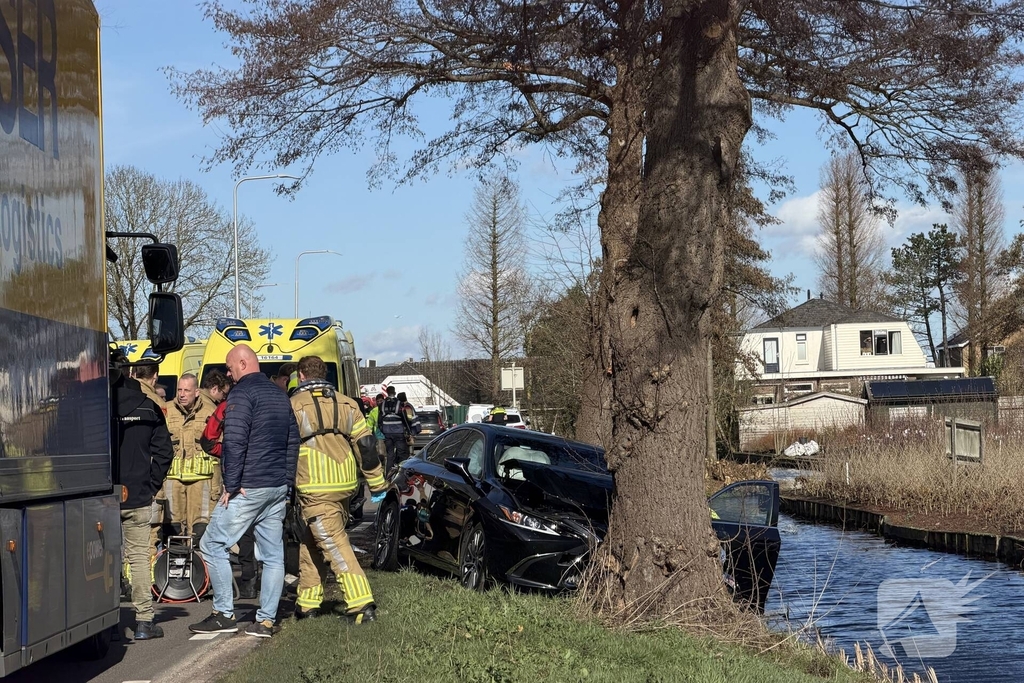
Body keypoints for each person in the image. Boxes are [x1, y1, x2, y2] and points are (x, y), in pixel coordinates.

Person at [191, 346, 299, 638]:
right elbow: (293, 442)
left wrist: (231, 484)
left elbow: (235, 442)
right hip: (276, 486)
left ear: (242, 362)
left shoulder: (240, 394)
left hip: (248, 487)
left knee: (212, 543)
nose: (228, 374)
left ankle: (223, 613)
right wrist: (287, 483)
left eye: (229, 367)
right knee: (273, 555)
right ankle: (265, 622)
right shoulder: (280, 395)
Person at [290, 356, 387, 622]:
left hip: (314, 486)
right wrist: (377, 482)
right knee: (312, 541)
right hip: (343, 484)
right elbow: (366, 446)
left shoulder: (294, 405)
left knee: (334, 545)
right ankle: (307, 604)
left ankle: (361, 604)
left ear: (301, 376)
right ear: (325, 375)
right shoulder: (348, 404)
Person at [113, 371, 174, 640]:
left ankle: (108, 622)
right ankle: (144, 621)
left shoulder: (98, 407)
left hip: (103, 496)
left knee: (105, 560)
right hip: (138, 493)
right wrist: (151, 485)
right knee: (138, 557)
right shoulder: (149, 408)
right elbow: (164, 451)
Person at [199, 370, 260, 600]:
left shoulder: (227, 406)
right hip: (267, 473)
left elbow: (208, 440)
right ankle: (271, 585)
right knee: (271, 533)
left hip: (238, 476)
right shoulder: (269, 403)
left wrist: (227, 452)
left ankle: (247, 581)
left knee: (242, 529)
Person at [164, 374, 217, 544]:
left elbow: (218, 450)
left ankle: (197, 558)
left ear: (197, 392)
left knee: (200, 527)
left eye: (187, 390)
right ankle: (175, 558)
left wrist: (217, 486)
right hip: (173, 479)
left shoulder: (210, 412)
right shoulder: (166, 411)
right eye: (179, 390)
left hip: (201, 480)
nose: (182, 394)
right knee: (173, 526)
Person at [379, 387, 421, 472]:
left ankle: (388, 474)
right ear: (394, 393)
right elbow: (405, 419)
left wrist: (382, 430)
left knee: (390, 455)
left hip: (387, 433)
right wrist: (409, 431)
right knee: (401, 453)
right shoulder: (399, 404)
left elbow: (379, 420)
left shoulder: (382, 404)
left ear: (387, 392)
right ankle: (401, 473)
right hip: (398, 432)